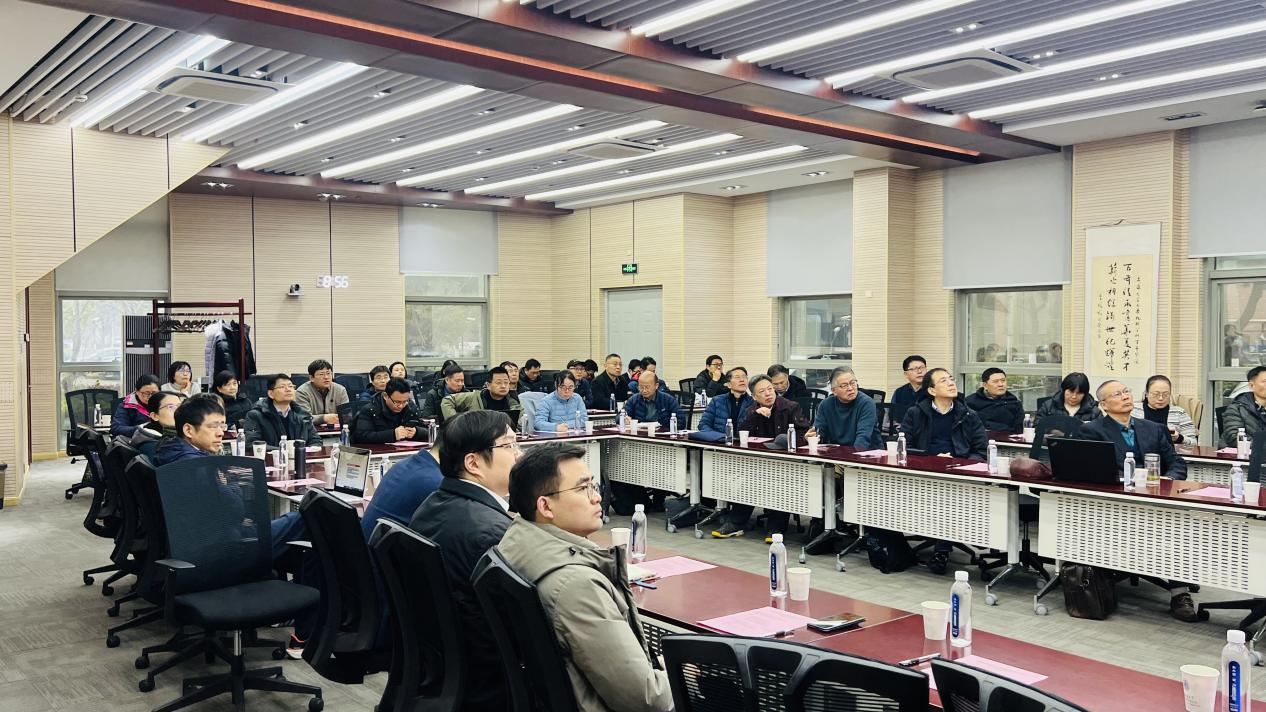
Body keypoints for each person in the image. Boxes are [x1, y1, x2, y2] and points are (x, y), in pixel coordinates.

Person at [500, 444, 673, 712]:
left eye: (594, 486)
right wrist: (678, 673)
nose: (597, 498)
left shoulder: (514, 543)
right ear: (545, 506)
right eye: (583, 489)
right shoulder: (577, 586)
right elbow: (647, 699)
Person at [156, 394, 315, 653]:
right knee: (306, 520)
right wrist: (231, 492)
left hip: (197, 543)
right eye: (213, 426)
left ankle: (292, 617)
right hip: (223, 550)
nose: (221, 433)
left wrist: (229, 488)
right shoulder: (197, 467)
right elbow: (236, 505)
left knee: (298, 540)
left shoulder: (171, 451)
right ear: (188, 430)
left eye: (222, 425)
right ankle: (306, 631)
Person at [409, 410, 521, 710]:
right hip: (490, 682)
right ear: (473, 463)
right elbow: (526, 626)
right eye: (509, 445)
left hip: (443, 670)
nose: (519, 454)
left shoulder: (433, 504)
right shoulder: (490, 533)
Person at [1082, 380, 1198, 622]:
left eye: (1126, 391)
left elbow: (1176, 463)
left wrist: (1168, 480)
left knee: (1177, 529)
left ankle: (1179, 593)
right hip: (1115, 502)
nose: (1125, 396)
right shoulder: (1092, 430)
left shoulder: (1154, 428)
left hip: (1157, 499)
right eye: (1117, 394)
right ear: (1104, 404)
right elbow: (1091, 470)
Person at [899, 368, 988, 574]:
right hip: (924, 472)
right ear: (931, 390)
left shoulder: (968, 414)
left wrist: (960, 464)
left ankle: (941, 550)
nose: (951, 383)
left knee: (948, 496)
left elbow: (982, 450)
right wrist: (932, 458)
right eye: (943, 381)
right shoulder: (915, 413)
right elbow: (904, 446)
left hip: (958, 474)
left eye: (951, 379)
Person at [712, 374, 812, 540]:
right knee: (747, 477)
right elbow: (741, 435)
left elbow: (804, 434)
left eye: (770, 389)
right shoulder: (752, 410)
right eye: (762, 391)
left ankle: (776, 528)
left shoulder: (790, 407)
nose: (768, 393)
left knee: (781, 482)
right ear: (754, 396)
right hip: (759, 460)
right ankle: (736, 523)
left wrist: (785, 442)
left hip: (786, 461)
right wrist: (755, 415)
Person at [243, 373, 322, 447]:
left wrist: (302, 451)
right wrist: (283, 451)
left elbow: (316, 441)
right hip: (270, 457)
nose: (288, 390)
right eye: (282, 387)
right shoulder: (255, 415)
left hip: (300, 456)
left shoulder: (302, 414)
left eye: (290, 386)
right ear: (271, 394)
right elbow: (252, 443)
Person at [813, 367, 882, 449]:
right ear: (834, 391)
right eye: (844, 385)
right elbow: (819, 433)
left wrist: (850, 456)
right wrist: (812, 438)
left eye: (853, 383)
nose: (850, 388)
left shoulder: (866, 403)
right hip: (837, 452)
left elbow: (863, 439)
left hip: (868, 453)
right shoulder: (825, 405)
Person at [441, 366, 523, 430]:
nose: (503, 386)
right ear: (488, 385)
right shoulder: (474, 397)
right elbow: (447, 401)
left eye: (506, 382)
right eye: (498, 383)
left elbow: (521, 424)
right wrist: (456, 424)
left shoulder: (513, 401)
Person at [353, 378, 425, 444]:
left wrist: (417, 431)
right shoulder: (370, 409)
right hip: (379, 451)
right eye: (397, 402)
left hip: (404, 450)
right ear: (386, 396)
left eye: (404, 401)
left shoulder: (410, 406)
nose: (401, 406)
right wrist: (392, 434)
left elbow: (428, 428)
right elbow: (361, 436)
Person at [1131, 374, 1198, 445]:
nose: (1161, 398)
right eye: (1156, 394)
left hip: (1170, 451)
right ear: (1146, 394)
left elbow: (1194, 443)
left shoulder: (1179, 413)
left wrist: (1179, 438)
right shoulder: (1133, 410)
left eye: (1165, 395)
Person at [696, 367, 753, 438]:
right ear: (729, 385)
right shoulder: (717, 401)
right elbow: (703, 424)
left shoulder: (753, 402)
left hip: (744, 442)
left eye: (744, 377)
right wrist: (717, 437)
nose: (742, 380)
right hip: (719, 441)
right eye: (737, 377)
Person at [964, 367, 1024, 433]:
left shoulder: (1014, 402)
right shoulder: (970, 402)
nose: (1001, 384)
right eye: (995, 381)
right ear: (985, 385)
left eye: (1003, 380)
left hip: (1008, 438)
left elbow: (1018, 429)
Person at [294, 359, 348, 426]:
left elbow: (347, 415)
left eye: (328, 373)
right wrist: (324, 418)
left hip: (336, 430)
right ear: (311, 378)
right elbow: (303, 418)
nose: (326, 377)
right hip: (311, 430)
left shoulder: (340, 390)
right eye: (321, 374)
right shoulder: (302, 392)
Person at [1222, 366, 1266, 447]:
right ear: (1251, 385)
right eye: (1265, 381)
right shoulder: (1236, 408)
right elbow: (1234, 437)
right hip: (1244, 453)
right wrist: (1262, 446)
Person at [131, 391, 182, 459]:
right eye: (171, 407)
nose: (179, 411)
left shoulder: (173, 434)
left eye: (180, 406)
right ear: (154, 416)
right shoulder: (151, 445)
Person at [1034, 372, 1098, 422]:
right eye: (1071, 391)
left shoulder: (1094, 411)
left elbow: (1099, 432)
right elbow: (1037, 426)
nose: (1074, 396)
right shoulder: (1048, 406)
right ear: (1063, 390)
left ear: (1085, 394)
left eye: (1079, 393)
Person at [890, 355, 926, 428]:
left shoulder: (934, 390)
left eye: (922, 367)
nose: (920, 371)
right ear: (906, 374)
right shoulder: (899, 392)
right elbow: (893, 417)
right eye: (915, 369)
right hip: (904, 430)